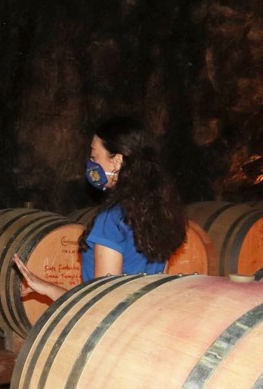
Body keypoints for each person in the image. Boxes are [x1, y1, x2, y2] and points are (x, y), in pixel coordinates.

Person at [14, 116, 186, 300]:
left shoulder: (112, 219)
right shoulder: (159, 211)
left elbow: (103, 301)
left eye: (94, 156)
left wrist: (49, 288)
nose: (91, 163)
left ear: (117, 161)